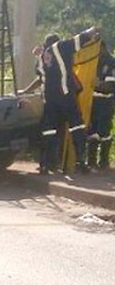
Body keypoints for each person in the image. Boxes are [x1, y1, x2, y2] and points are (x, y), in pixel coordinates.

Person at [37, 27, 99, 175]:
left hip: (49, 99)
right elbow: (78, 39)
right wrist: (93, 31)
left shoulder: (41, 57)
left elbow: (40, 78)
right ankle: (80, 163)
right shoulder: (59, 47)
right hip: (65, 96)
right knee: (76, 127)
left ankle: (46, 164)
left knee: (49, 131)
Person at [87, 41, 115, 170]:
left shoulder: (111, 62)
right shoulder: (94, 62)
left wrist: (96, 84)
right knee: (92, 132)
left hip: (105, 102)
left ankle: (103, 161)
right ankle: (91, 160)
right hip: (92, 102)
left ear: (103, 48)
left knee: (104, 132)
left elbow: (110, 86)